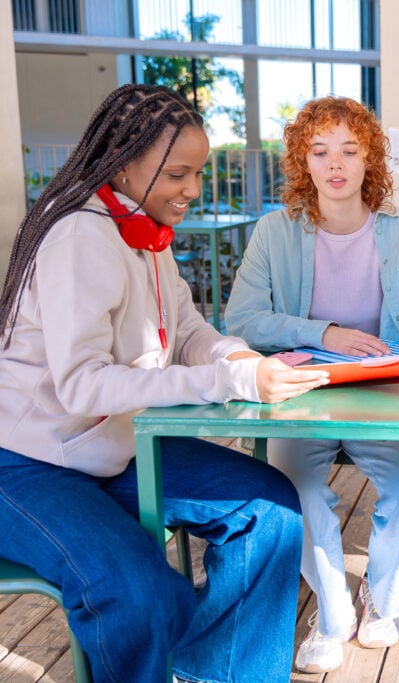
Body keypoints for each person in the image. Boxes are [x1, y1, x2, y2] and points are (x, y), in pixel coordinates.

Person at [0, 84, 326, 683]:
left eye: (199, 173)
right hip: (26, 465)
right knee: (138, 593)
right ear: (123, 165)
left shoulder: (143, 229)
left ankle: (212, 673)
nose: (194, 190)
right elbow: (83, 387)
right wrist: (226, 378)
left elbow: (190, 331)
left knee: (270, 510)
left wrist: (245, 360)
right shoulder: (78, 234)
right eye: (178, 174)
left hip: (113, 450)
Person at [225, 96, 399, 674]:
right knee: (299, 494)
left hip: (380, 393)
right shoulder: (272, 232)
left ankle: (381, 597)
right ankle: (332, 615)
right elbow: (242, 320)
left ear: (370, 160)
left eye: (349, 150)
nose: (335, 164)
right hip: (301, 392)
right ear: (302, 162)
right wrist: (324, 332)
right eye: (319, 151)